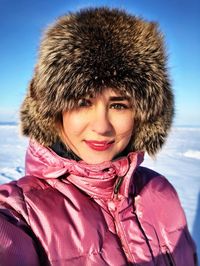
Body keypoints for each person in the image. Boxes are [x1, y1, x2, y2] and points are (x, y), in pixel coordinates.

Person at [0, 7, 197, 266]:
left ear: (143, 115)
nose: (102, 127)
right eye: (83, 102)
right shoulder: (19, 213)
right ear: (53, 112)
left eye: (119, 105)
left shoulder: (161, 191)